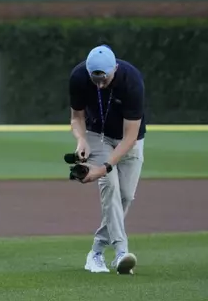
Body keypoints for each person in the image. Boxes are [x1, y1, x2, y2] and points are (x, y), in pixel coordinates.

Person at [68, 44, 146, 275]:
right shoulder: (79, 77)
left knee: (125, 196)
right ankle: (121, 252)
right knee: (110, 188)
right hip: (97, 135)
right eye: (96, 80)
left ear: (115, 68)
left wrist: (103, 167)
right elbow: (76, 117)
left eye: (105, 79)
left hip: (129, 140)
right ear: (89, 72)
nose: (100, 85)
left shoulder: (131, 80)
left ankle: (96, 252)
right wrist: (81, 140)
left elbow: (131, 135)